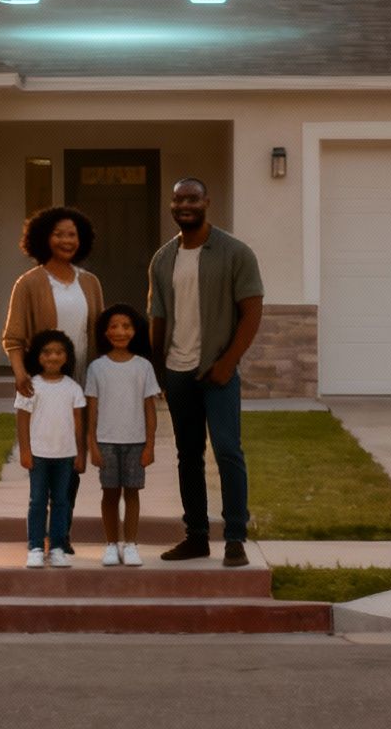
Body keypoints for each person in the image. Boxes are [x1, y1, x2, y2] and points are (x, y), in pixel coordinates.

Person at [147, 177, 262, 567]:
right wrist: (158, 372)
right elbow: (157, 319)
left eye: (192, 198)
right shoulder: (164, 258)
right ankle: (195, 536)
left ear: (206, 201)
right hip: (178, 372)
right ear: (172, 204)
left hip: (218, 371)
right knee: (188, 455)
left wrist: (227, 363)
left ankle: (234, 538)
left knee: (228, 451)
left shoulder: (234, 252)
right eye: (178, 198)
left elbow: (251, 312)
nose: (185, 205)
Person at [1, 206, 104, 554]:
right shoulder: (29, 283)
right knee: (43, 462)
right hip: (43, 386)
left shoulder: (89, 282)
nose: (66, 240)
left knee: (72, 461)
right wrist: (20, 373)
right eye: (59, 233)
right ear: (44, 237)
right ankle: (40, 535)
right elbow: (13, 338)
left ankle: (61, 535)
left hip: (77, 385)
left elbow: (100, 337)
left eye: (72, 234)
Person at [84, 304, 161, 566]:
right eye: (114, 326)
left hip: (135, 442)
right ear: (105, 332)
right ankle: (110, 544)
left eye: (126, 326)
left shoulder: (144, 367)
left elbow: (150, 410)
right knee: (109, 493)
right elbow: (91, 410)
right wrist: (91, 445)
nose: (120, 331)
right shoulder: (96, 368)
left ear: (135, 331)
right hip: (106, 442)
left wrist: (149, 445)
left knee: (132, 492)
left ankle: (130, 544)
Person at [15, 329, 87, 568]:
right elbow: (22, 419)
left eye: (59, 352)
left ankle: (56, 547)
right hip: (38, 455)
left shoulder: (73, 388)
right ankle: (35, 546)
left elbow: (79, 423)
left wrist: (80, 452)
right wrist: (25, 451)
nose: (53, 357)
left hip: (65, 456)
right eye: (47, 352)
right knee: (37, 501)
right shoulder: (30, 386)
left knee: (61, 502)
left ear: (67, 357)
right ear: (37, 356)